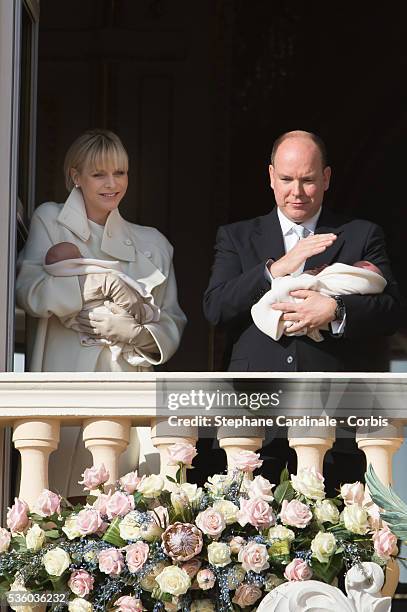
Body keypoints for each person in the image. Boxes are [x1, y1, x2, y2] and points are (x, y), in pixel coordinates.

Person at [16, 129, 187, 496]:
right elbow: (28, 292)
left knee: (122, 509)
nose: (112, 184)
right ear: (75, 176)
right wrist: (94, 285)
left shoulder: (153, 243)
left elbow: (171, 322)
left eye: (120, 173)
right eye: (99, 174)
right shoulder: (50, 220)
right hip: (63, 385)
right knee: (56, 506)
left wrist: (134, 333)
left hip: (127, 388)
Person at [203, 130, 401, 372]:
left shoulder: (362, 234)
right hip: (256, 390)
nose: (296, 192)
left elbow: (392, 311)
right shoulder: (236, 237)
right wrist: (276, 269)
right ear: (271, 177)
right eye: (286, 179)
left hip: (335, 391)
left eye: (307, 180)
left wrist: (335, 309)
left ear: (326, 178)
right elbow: (216, 309)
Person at [43, 241, 160, 364]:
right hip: (74, 355)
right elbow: (31, 290)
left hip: (122, 358)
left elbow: (167, 328)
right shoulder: (44, 225)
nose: (82, 257)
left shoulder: (156, 242)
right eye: (77, 255)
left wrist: (139, 336)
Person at [251, 259, 387, 343]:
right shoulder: (234, 235)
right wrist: (274, 270)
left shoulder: (365, 232)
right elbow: (229, 303)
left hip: (335, 371)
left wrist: (336, 307)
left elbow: (390, 309)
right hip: (259, 370)